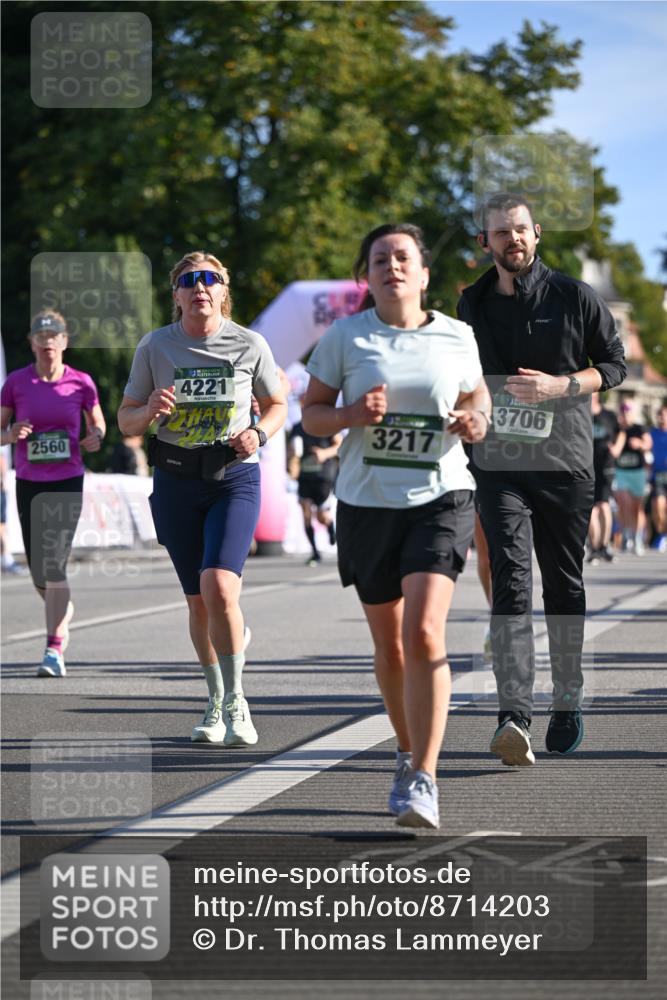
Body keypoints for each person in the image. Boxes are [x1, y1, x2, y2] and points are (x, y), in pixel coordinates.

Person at [302, 223, 491, 828]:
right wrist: (352, 414)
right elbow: (311, 416)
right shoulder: (345, 337)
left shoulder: (457, 335)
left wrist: (476, 421)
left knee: (425, 633)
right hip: (367, 503)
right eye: (380, 259)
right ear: (367, 276)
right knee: (390, 645)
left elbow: (478, 399)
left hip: (441, 495)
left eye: (403, 257)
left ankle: (425, 778)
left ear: (424, 273)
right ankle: (407, 752)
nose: (392, 267)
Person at [457, 192, 626, 765]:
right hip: (499, 463)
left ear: (537, 234)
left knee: (563, 585)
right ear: (485, 241)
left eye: (521, 229)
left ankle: (568, 698)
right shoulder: (471, 303)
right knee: (510, 580)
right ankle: (513, 714)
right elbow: (461, 375)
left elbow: (615, 365)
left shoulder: (575, 296)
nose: (513, 239)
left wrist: (562, 386)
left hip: (564, 463)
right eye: (501, 232)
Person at [118, 251, 286, 747]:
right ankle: (214, 699)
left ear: (223, 290)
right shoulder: (156, 346)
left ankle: (236, 699)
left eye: (210, 279)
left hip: (232, 477)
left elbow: (277, 403)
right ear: (176, 293)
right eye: (189, 280)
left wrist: (259, 432)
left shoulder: (249, 344)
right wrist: (148, 411)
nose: (200, 287)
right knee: (198, 602)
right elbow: (126, 419)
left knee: (218, 586)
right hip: (175, 480)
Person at [0, 310, 106, 675]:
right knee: (38, 572)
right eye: (41, 336)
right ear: (32, 342)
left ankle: (53, 648)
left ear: (64, 341)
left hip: (66, 480)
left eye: (54, 335)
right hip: (29, 481)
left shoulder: (81, 382)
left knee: (54, 562)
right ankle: (60, 606)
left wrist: (96, 436)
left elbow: (98, 423)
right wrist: (10, 435)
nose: (48, 341)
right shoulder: (16, 382)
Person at [287, 415, 342, 565]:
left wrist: (325, 453)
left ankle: (330, 527)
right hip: (304, 476)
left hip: (323, 476)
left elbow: (340, 446)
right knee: (306, 514)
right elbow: (291, 450)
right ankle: (315, 553)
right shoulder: (297, 428)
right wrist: (292, 460)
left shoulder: (326, 423)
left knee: (321, 517)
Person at [588, 391, 624, 563]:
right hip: (586, 466)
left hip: (606, 466)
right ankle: (594, 548)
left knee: (603, 505)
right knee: (590, 507)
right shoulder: (581, 414)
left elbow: (621, 432)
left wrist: (617, 448)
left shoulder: (608, 415)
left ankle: (604, 546)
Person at [614, 399, 652, 554]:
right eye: (623, 410)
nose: (625, 413)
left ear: (633, 412)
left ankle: (637, 537)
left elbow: (648, 444)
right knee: (624, 503)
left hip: (637, 472)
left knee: (637, 508)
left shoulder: (639, 428)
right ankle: (626, 534)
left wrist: (640, 444)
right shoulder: (616, 428)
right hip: (621, 472)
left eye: (628, 410)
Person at [649, 403, 667, 551]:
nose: (660, 418)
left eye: (663, 415)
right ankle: (662, 534)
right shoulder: (652, 433)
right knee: (658, 508)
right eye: (659, 415)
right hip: (658, 476)